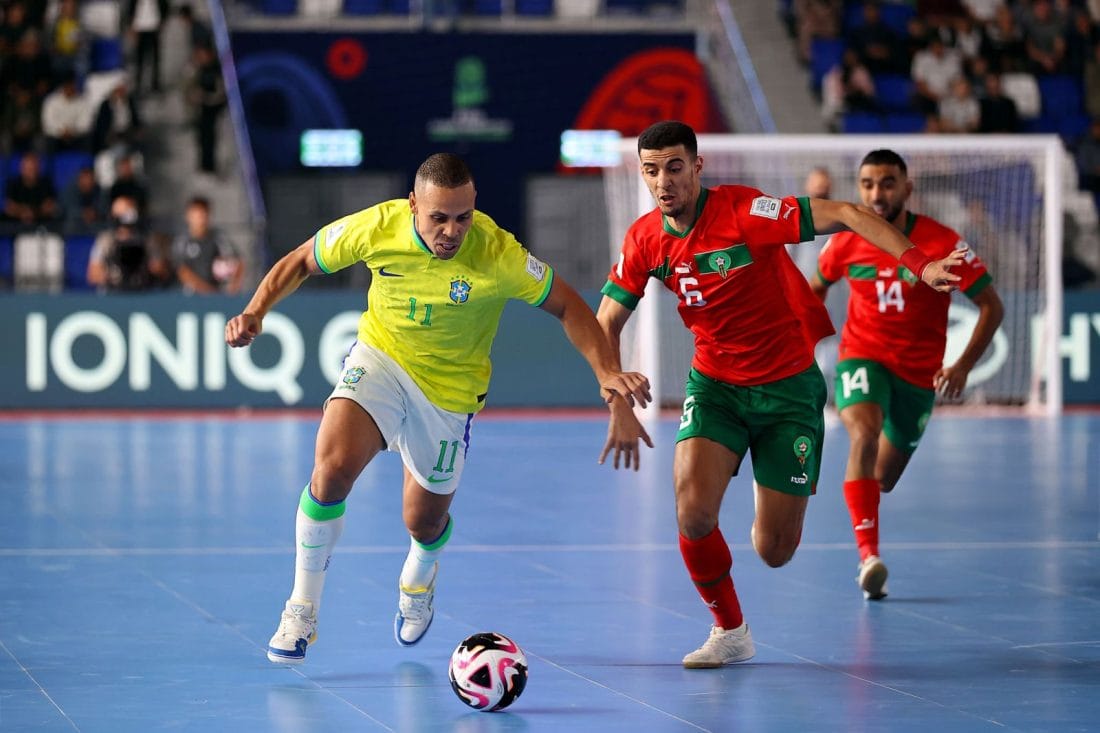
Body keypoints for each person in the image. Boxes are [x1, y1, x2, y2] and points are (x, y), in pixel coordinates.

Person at [224, 153, 653, 666]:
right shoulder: (377, 227)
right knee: (331, 470)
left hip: (450, 395)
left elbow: (569, 306)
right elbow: (300, 260)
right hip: (381, 360)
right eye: (438, 218)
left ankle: (420, 576)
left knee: (422, 521)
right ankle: (301, 607)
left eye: (463, 217)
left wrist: (607, 375)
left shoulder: (498, 253)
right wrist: (254, 311)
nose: (452, 231)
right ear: (413, 207)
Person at [596, 121, 964, 669]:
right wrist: (616, 397)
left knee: (774, 551)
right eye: (652, 170)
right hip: (715, 385)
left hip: (788, 390)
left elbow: (849, 214)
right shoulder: (645, 238)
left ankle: (768, 485)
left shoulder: (747, 213)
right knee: (693, 512)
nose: (663, 181)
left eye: (675, 167)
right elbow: (605, 321)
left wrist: (919, 262)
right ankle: (730, 630)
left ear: (697, 168)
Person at [809, 149, 1004, 601]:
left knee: (884, 477)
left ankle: (866, 527)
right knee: (863, 434)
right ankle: (869, 558)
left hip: (919, 376)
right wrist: (801, 346)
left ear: (907, 188)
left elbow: (993, 305)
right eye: (869, 184)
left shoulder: (943, 243)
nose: (877, 194)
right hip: (861, 357)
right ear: (859, 188)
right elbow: (814, 291)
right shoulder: (844, 241)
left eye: (888, 183)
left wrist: (962, 365)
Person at [86, 194, 168, 290]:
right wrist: (111, 275)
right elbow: (92, 274)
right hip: (113, 292)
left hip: (141, 291)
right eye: (120, 214)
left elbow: (161, 270)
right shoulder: (105, 240)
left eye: (128, 212)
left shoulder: (146, 240)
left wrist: (150, 268)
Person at [172, 196, 242, 293]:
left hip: (218, 296)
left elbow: (238, 262)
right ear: (188, 216)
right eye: (197, 214)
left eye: (204, 214)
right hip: (191, 297)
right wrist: (207, 291)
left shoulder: (218, 238)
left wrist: (233, 286)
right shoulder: (183, 242)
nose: (201, 218)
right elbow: (182, 271)